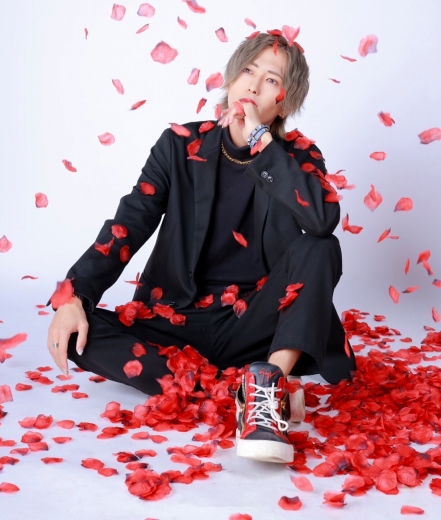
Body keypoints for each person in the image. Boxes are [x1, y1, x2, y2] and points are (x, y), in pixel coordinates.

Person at [46, 31, 356, 464]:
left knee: (321, 247)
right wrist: (75, 296)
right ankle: (248, 392)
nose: (253, 85)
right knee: (80, 335)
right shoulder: (178, 145)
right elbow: (131, 221)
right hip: (176, 317)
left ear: (284, 103)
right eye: (247, 71)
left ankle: (268, 378)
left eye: (271, 80)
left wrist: (262, 143)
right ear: (230, 79)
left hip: (253, 327)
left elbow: (322, 221)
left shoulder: (296, 158)